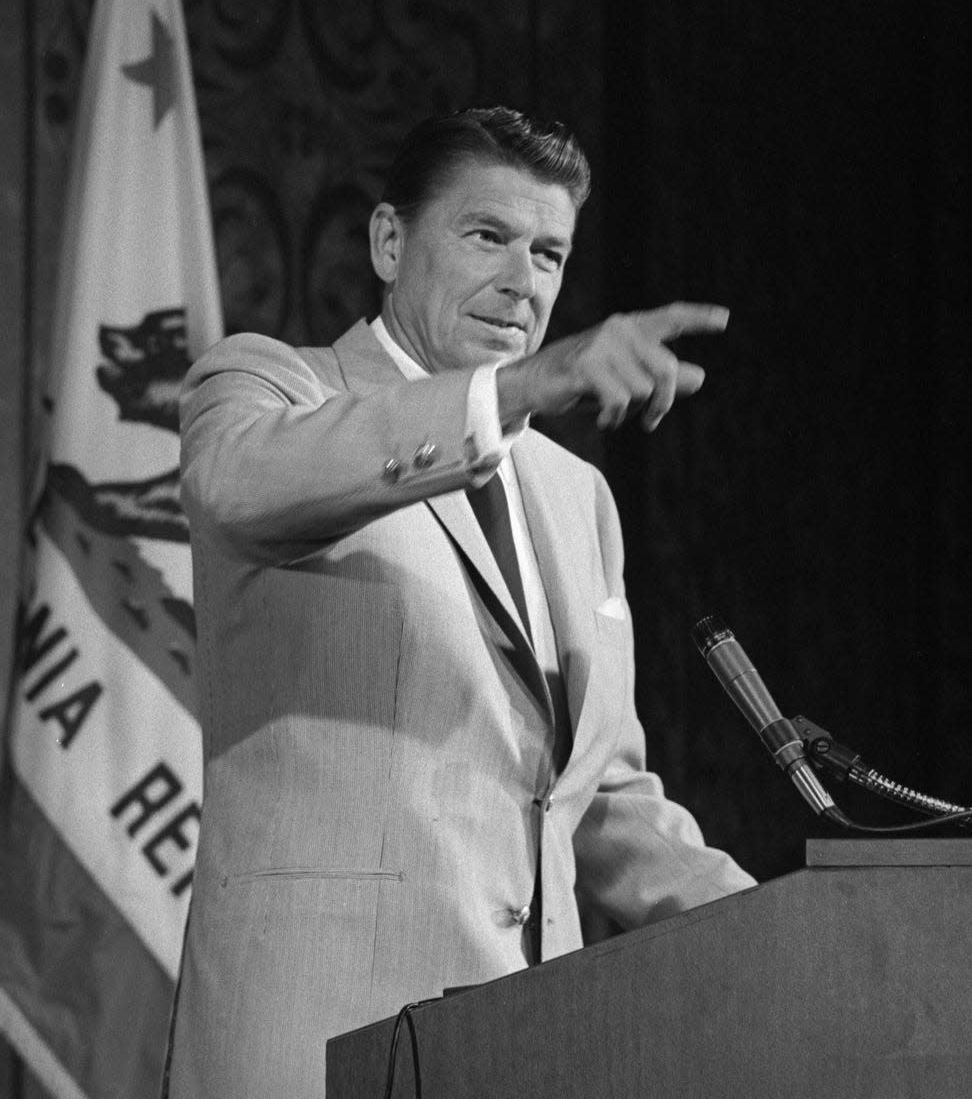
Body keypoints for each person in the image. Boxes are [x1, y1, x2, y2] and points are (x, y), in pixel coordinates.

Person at [165, 106, 755, 1099]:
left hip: (521, 1048)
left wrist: (794, 923)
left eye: (550, 253)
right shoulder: (269, 389)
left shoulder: (578, 497)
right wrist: (523, 387)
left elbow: (597, 797)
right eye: (488, 236)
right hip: (316, 1045)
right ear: (390, 242)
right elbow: (237, 487)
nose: (524, 280)